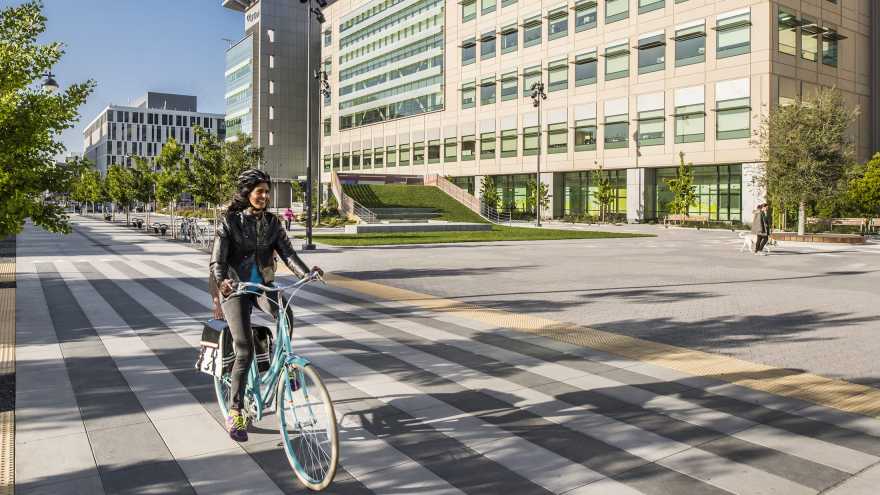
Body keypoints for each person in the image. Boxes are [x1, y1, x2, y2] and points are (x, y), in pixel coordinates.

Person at [210, 168, 322, 441]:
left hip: (261, 287)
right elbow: (217, 261)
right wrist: (223, 282)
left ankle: (285, 365)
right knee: (244, 349)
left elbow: (288, 253)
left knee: (286, 313)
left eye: (267, 192)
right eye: (259, 192)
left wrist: (306, 273)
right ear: (247, 193)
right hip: (235, 289)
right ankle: (235, 411)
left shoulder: (272, 223)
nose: (264, 196)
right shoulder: (230, 222)